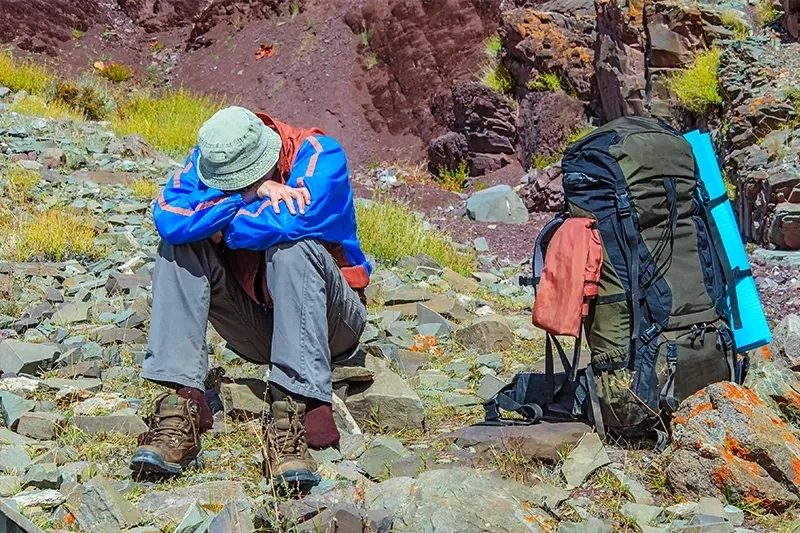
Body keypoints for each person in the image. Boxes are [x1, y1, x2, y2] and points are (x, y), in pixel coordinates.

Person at [129, 106, 370, 492]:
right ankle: (184, 405)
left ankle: (296, 403)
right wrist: (249, 193)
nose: (231, 185)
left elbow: (292, 220)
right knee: (178, 248)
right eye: (227, 182)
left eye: (246, 177)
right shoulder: (209, 158)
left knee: (293, 247)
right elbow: (169, 218)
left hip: (332, 325)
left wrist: (215, 222)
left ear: (271, 154)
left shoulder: (321, 155)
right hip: (259, 329)